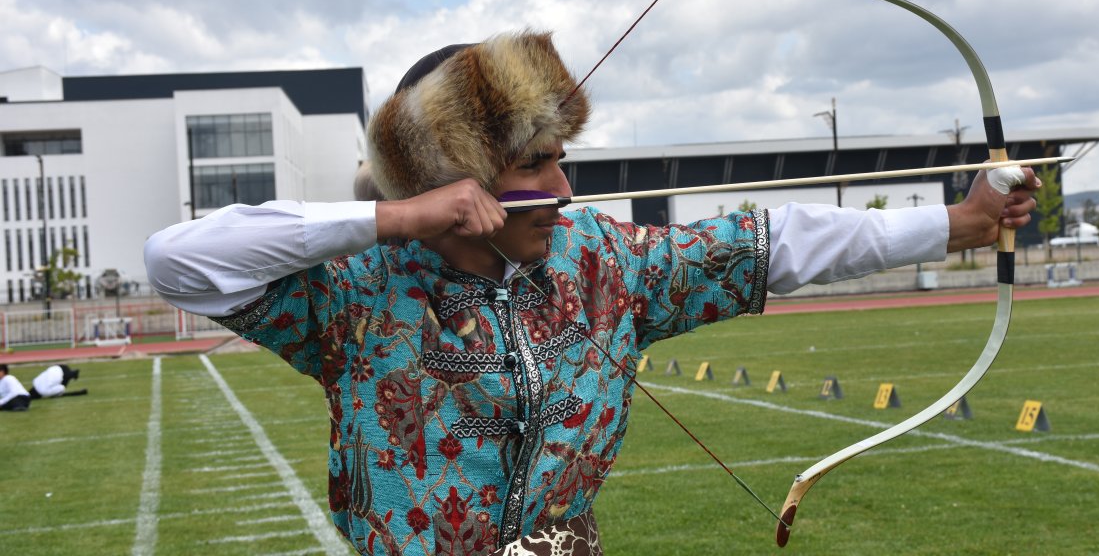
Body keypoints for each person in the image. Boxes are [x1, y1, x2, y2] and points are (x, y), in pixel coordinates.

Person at [144, 30, 1039, 556]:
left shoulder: (604, 262)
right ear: (459, 181)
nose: (566, 188)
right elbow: (178, 261)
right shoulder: (354, 295)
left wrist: (957, 226)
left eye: (561, 158)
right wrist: (395, 218)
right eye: (535, 163)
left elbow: (772, 244)